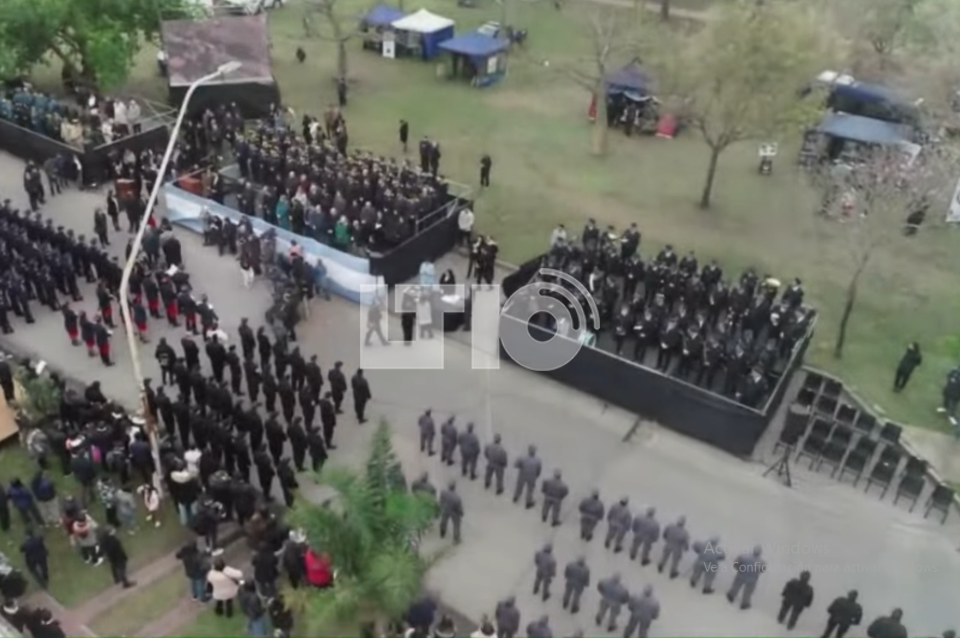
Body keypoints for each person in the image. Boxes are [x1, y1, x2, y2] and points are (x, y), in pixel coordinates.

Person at [727, 544, 764, 609]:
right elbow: (762, 570)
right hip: (752, 579)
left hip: (741, 575)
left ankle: (731, 596)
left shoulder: (744, 556)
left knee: (736, 586)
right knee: (748, 591)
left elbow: (736, 563)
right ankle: (745, 603)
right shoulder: (761, 562)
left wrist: (738, 569)